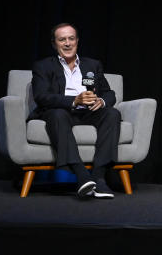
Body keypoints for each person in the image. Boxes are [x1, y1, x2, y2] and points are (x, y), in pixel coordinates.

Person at [30, 23, 120, 199]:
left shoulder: (93, 65)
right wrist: (73, 100)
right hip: (61, 111)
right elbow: (41, 96)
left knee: (112, 113)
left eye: (71, 38)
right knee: (58, 114)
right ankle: (81, 175)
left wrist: (101, 101)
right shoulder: (43, 66)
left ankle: (99, 177)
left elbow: (109, 93)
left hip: (88, 112)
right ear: (54, 43)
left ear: (77, 41)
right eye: (62, 39)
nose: (67, 43)